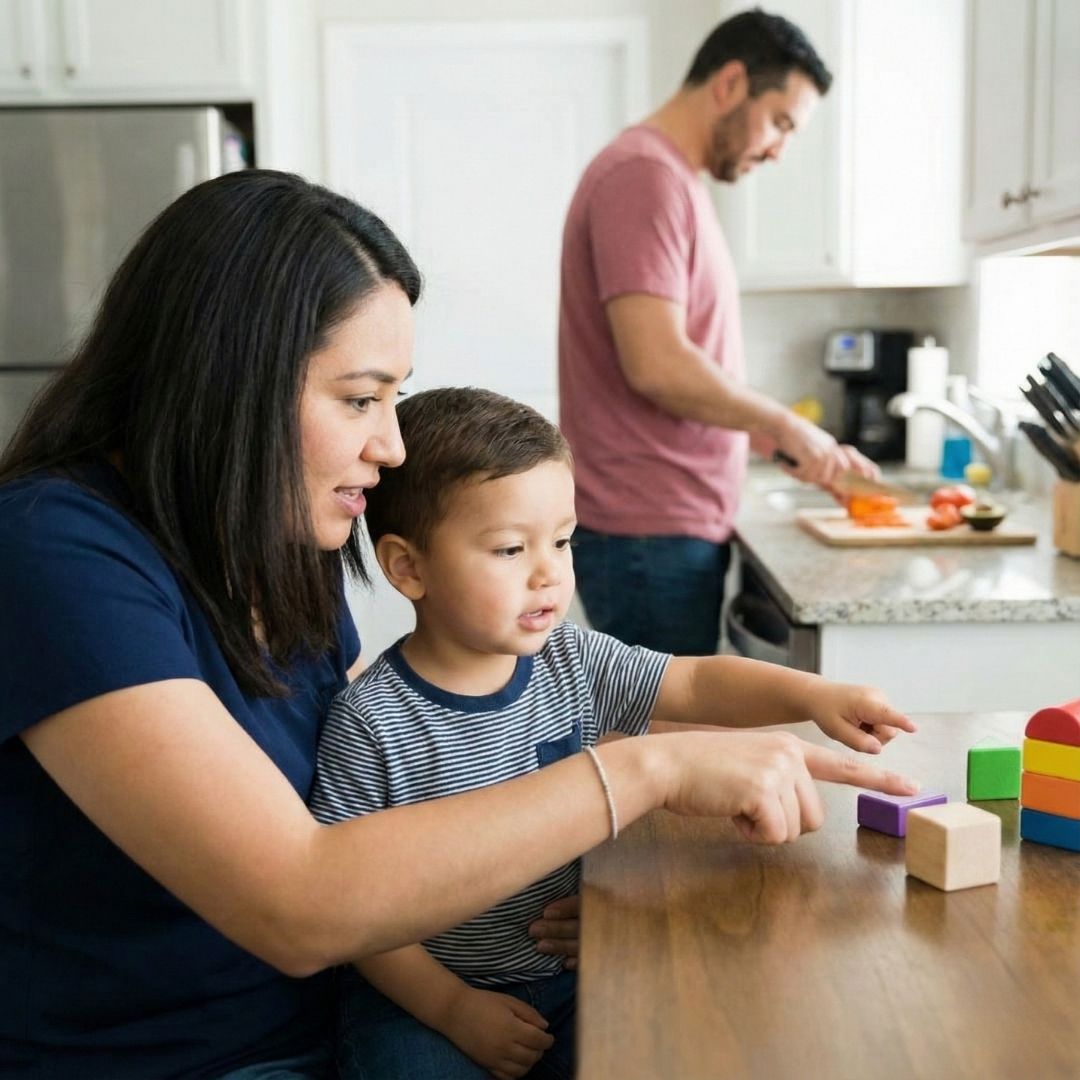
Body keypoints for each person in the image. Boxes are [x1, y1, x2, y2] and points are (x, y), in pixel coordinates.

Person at [0, 169, 917, 1080]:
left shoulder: (272, 532)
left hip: (334, 1011)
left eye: (395, 397)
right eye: (360, 399)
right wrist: (650, 766)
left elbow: (397, 815)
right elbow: (300, 900)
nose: (391, 445)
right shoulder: (55, 553)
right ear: (225, 379)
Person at [310, 386, 917, 1080]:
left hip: (561, 973)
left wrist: (812, 694)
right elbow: (355, 919)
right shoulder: (372, 723)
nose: (549, 573)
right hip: (419, 996)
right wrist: (453, 1008)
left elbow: (694, 683)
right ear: (408, 567)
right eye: (510, 549)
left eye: (563, 541)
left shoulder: (570, 659)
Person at [558, 8, 878, 656]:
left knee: (676, 742)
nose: (779, 149)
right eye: (781, 122)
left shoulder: (671, 179)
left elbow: (679, 374)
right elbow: (656, 363)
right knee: (670, 749)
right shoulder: (643, 176)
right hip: (646, 534)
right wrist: (790, 425)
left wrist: (779, 442)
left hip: (663, 529)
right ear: (731, 83)